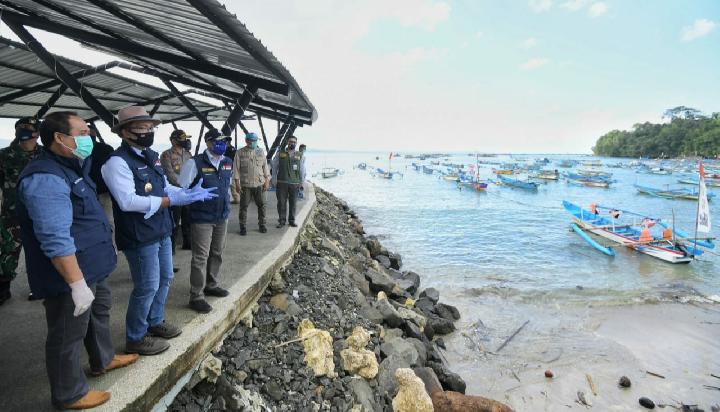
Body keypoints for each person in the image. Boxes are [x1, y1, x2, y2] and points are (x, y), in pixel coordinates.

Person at [16, 111, 137, 409]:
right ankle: (69, 394)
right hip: (69, 273)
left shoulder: (72, 166)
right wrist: (76, 284)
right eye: (82, 133)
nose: (89, 138)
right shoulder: (46, 176)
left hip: (91, 264)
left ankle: (103, 359)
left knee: (98, 315)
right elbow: (55, 236)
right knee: (67, 334)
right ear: (60, 137)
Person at [102, 106, 217, 355]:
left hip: (162, 228)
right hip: (139, 234)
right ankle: (136, 336)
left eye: (150, 128)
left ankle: (155, 321)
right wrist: (168, 202)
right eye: (142, 128)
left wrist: (186, 194)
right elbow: (127, 201)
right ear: (125, 132)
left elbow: (164, 186)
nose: (148, 132)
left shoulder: (151, 155)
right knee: (147, 285)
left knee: (165, 278)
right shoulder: (116, 162)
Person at [178, 129, 233, 313]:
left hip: (221, 216)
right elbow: (182, 188)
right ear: (208, 142)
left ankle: (211, 284)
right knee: (200, 257)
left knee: (217, 252)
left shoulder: (227, 162)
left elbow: (227, 185)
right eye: (218, 141)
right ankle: (196, 296)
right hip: (202, 217)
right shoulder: (194, 163)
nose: (222, 144)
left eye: (225, 141)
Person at [0, 117, 43, 304]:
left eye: (28, 127)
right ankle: (3, 288)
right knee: (8, 251)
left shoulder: (46, 154)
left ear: (37, 132)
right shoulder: (4, 155)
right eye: (20, 127)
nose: (23, 130)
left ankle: (39, 287)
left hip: (40, 212)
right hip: (12, 212)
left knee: (40, 251)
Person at [160, 130, 193, 253]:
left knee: (187, 219)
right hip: (175, 192)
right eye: (182, 139)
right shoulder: (166, 155)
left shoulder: (188, 154)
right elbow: (169, 174)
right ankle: (171, 248)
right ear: (173, 141)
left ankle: (187, 243)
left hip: (187, 191)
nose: (185, 141)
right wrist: (182, 184)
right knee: (174, 221)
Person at [233, 132, 270, 235]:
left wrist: (267, 181)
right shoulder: (240, 152)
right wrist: (237, 183)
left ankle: (262, 225)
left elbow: (265, 167)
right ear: (247, 141)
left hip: (260, 184)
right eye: (252, 141)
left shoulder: (260, 152)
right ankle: (243, 226)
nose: (253, 143)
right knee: (243, 206)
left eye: (255, 141)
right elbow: (236, 169)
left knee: (262, 205)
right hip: (246, 185)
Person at [87, 123, 115, 247]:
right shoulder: (76, 150)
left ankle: (110, 246)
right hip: (88, 193)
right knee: (96, 222)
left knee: (108, 221)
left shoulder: (105, 148)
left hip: (103, 192)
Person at [271, 135, 305, 228]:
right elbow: (274, 167)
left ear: (296, 143)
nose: (292, 143)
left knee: (293, 203)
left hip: (295, 183)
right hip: (282, 182)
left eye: (294, 142)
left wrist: (302, 182)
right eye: (290, 141)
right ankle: (282, 221)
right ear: (287, 142)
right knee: (281, 203)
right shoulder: (280, 153)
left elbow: (302, 170)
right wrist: (273, 179)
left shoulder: (299, 155)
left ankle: (291, 220)